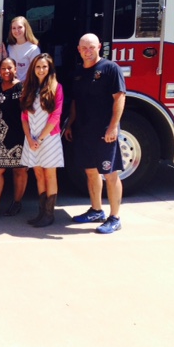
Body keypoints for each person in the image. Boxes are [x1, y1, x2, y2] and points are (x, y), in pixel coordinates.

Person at [65, 33, 126, 234]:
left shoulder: (110, 69)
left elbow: (119, 98)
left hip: (103, 131)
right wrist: (71, 124)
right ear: (78, 49)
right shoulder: (77, 73)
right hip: (83, 130)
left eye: (91, 47)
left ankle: (115, 217)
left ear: (99, 46)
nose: (88, 51)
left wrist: (113, 126)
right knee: (90, 172)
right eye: (84, 48)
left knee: (110, 173)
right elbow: (74, 102)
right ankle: (96, 210)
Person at [20, 53, 64, 227]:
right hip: (32, 138)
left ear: (50, 68)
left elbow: (56, 116)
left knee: (49, 174)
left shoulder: (56, 87)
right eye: (38, 67)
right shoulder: (28, 88)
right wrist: (30, 139)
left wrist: (41, 138)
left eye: (44, 66)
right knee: (38, 174)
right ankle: (41, 212)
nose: (41, 70)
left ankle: (49, 214)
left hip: (49, 138)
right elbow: (24, 116)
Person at [0, 57, 28, 222]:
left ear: (15, 69)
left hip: (18, 134)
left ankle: (17, 202)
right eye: (3, 68)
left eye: (10, 68)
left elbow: (26, 109)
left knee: (19, 170)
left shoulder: (21, 87)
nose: (6, 71)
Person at [0, 16, 41, 82]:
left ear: (26, 28)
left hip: (27, 86)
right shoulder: (10, 46)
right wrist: (4, 54)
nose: (16, 31)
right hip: (12, 85)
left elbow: (36, 72)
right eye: (14, 28)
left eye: (20, 27)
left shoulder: (34, 49)